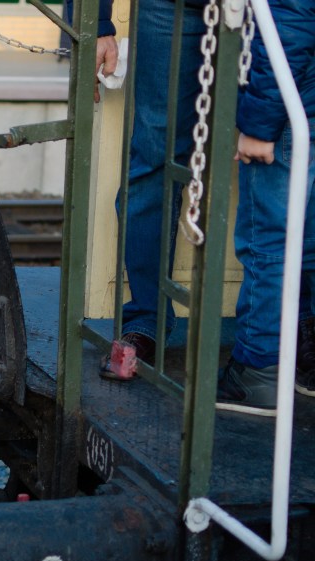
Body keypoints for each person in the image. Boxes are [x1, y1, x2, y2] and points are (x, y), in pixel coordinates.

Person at [215, 0, 315, 415]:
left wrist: (258, 125)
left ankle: (258, 371)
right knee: (306, 241)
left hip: (293, 111)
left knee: (268, 242)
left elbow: (288, 24)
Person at [100, 0, 206, 378]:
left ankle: (295, 326)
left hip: (275, 10)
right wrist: (97, 24)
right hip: (172, 7)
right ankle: (147, 318)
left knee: (282, 159)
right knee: (152, 157)